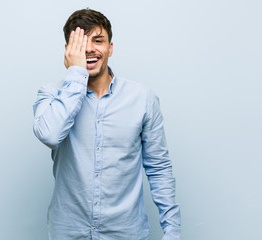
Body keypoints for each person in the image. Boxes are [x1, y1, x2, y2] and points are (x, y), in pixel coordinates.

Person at [33, 8, 181, 240]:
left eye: (98, 40)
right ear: (68, 51)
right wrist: (76, 74)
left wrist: (172, 232)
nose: (90, 48)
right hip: (68, 233)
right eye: (81, 42)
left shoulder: (143, 99)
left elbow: (159, 168)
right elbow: (50, 135)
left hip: (126, 233)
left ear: (110, 48)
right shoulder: (52, 94)